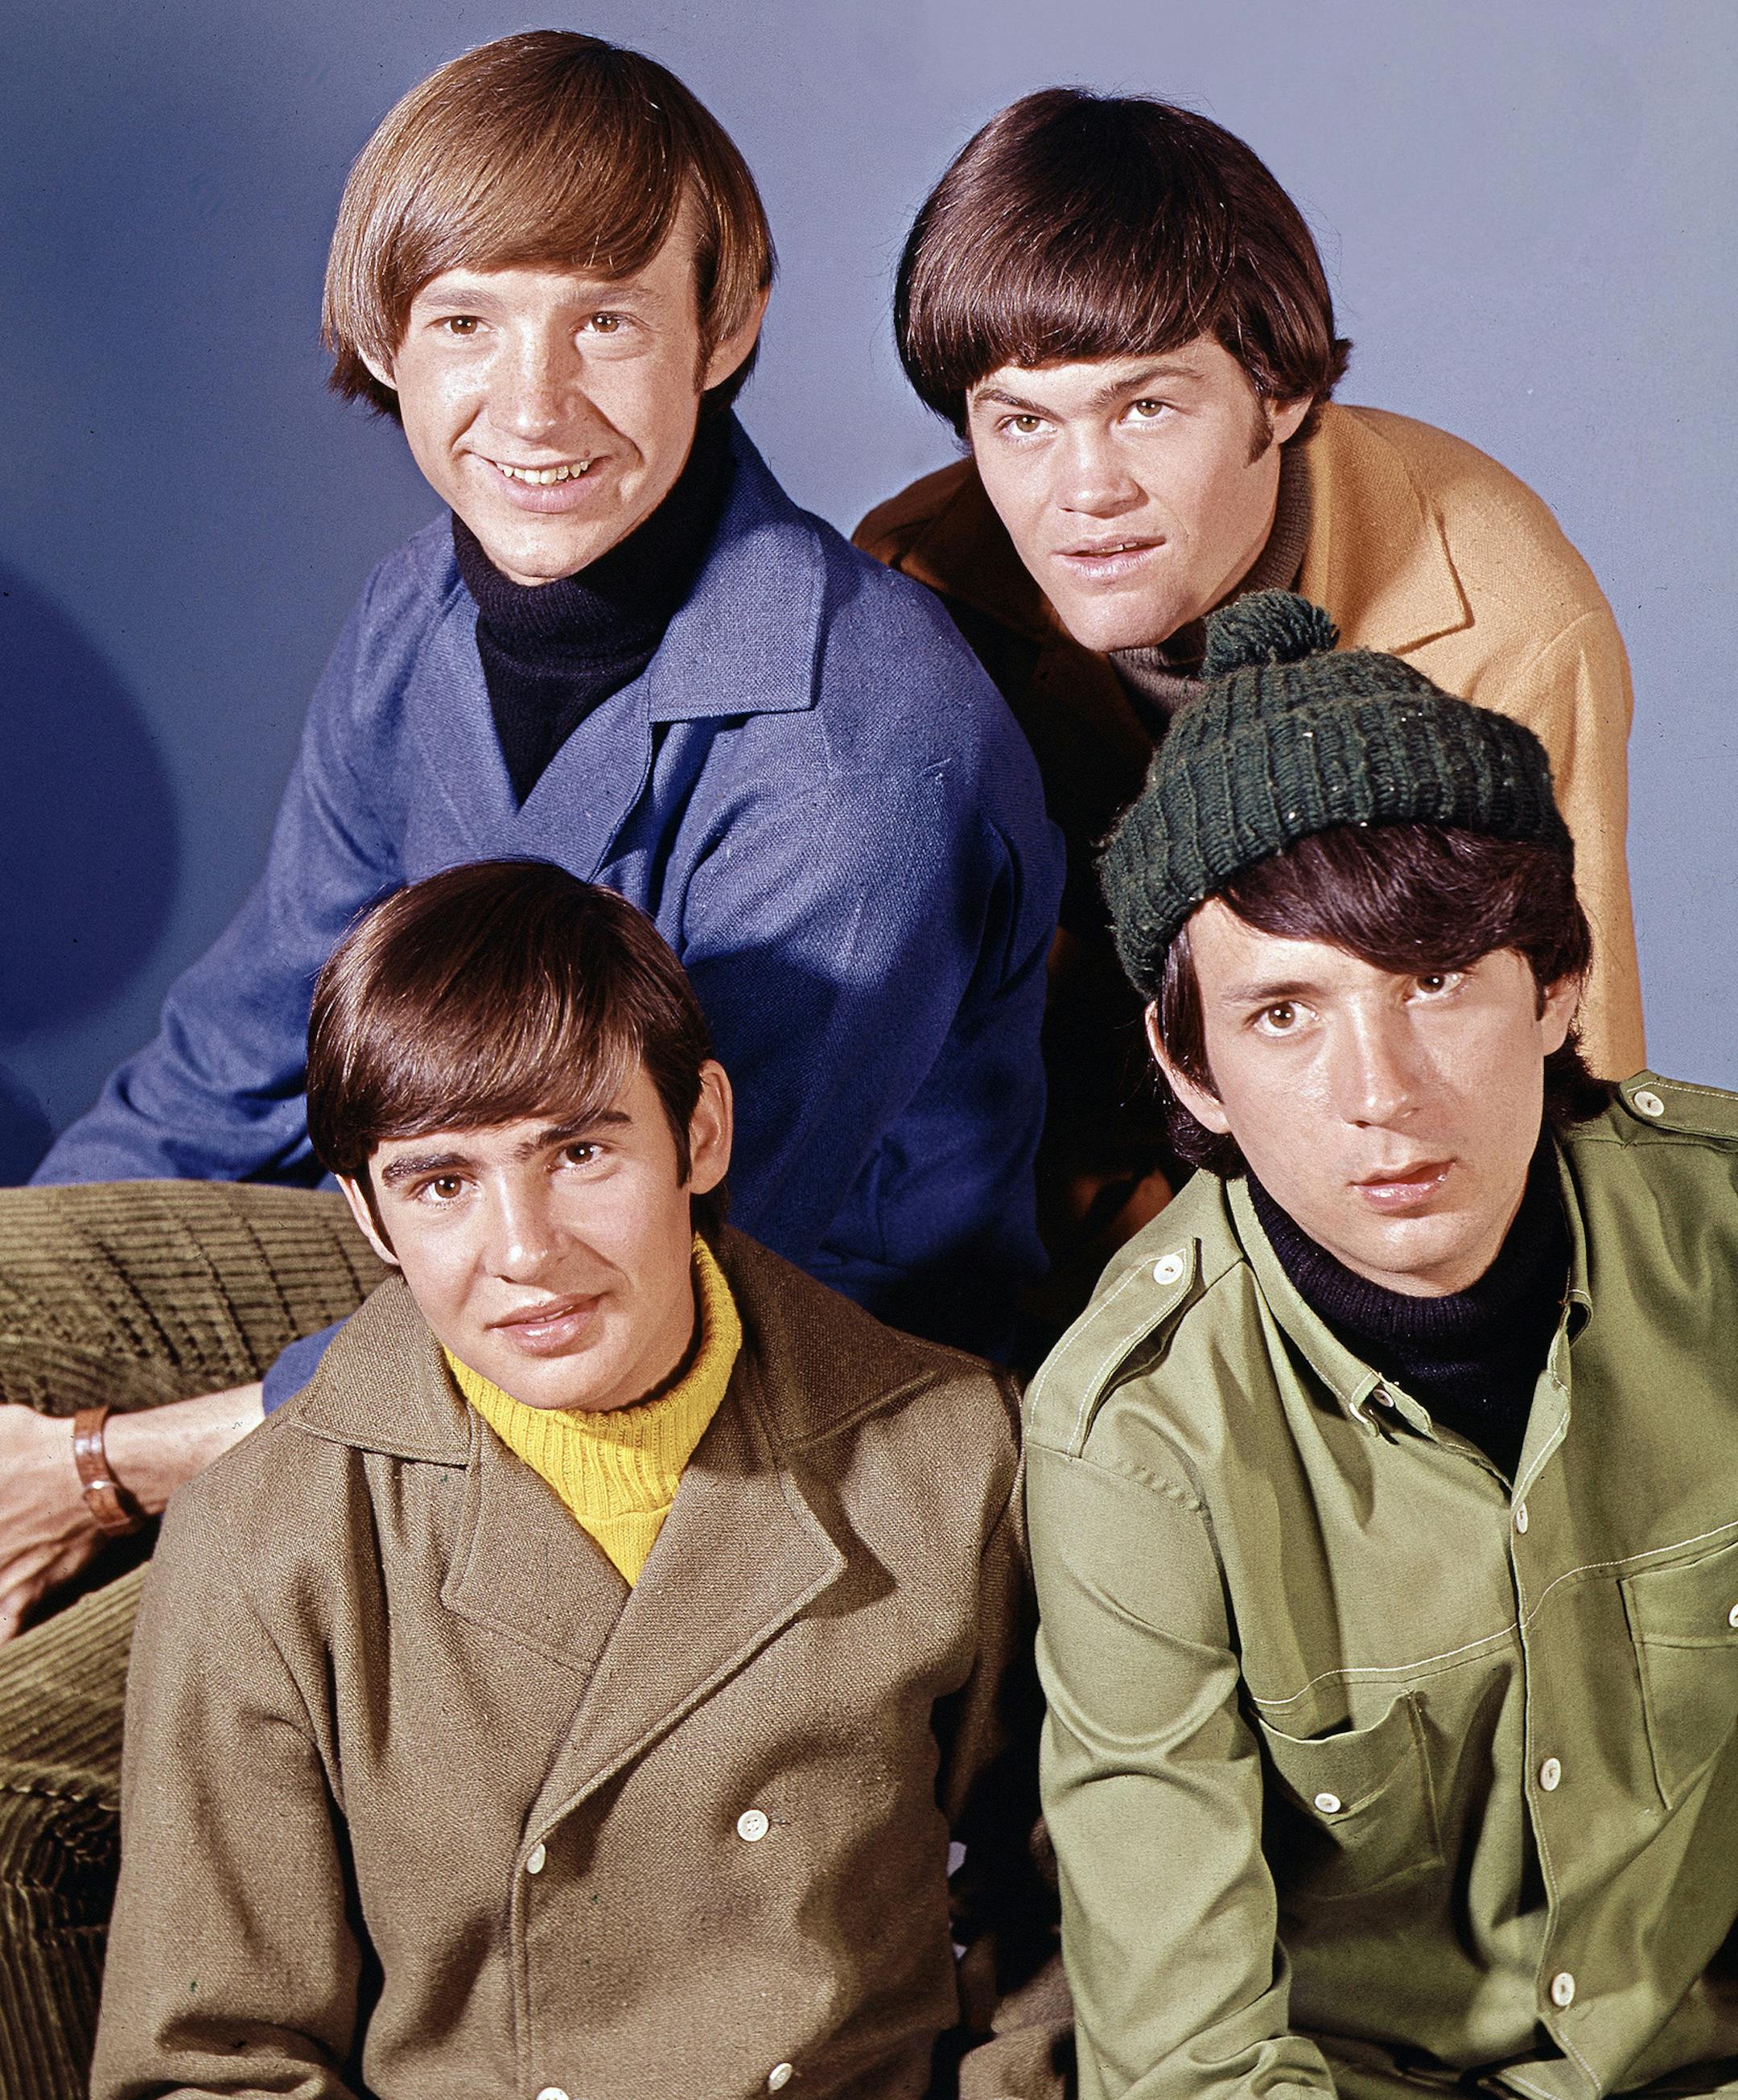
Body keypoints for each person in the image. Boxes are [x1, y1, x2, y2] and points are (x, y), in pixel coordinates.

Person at [0, 35, 1061, 2095]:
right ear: (385, 342)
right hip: (426, 1249)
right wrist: (32, 1361)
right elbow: (228, 1055)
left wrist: (108, 1469)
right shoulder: (423, 612)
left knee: (28, 1791)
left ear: (726, 323)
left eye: (609, 321)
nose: (535, 406)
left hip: (751, 1373)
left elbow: (644, 1277)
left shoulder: (861, 749)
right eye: (469, 325)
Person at [88, 859, 1066, 2100]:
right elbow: (211, 2062)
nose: (525, 1251)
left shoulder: (958, 1455)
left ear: (699, 1132)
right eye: (443, 1182)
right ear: (372, 1218)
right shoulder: (264, 1538)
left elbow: (1056, 1936)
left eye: (581, 1151)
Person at [1023, 589, 1738, 2100]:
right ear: (1190, 1064)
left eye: (1438, 981)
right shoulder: (1131, 1434)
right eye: (1284, 1012)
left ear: (1556, 987)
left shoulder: (1727, 1242)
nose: (1383, 1090)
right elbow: (1192, 2063)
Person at [856, 87, 1643, 1295]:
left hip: (1364, 1236)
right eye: (1020, 423)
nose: (1085, 491)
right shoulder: (912, 584)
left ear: (1279, 392)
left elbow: (1563, 1075)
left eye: (1148, 407)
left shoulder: (1504, 617)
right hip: (1015, 1232)